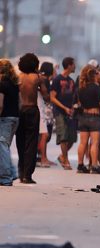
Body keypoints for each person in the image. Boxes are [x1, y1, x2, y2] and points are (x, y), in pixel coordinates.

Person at [16, 53, 49, 184]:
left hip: (20, 110)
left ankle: (21, 171)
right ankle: (27, 175)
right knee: (31, 142)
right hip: (32, 110)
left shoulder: (18, 77)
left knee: (20, 142)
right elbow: (46, 97)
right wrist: (41, 87)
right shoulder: (37, 78)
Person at [75, 65, 100, 174]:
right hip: (94, 117)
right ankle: (94, 166)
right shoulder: (95, 87)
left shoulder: (81, 88)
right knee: (94, 143)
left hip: (83, 117)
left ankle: (80, 165)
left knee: (82, 142)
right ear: (93, 75)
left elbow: (79, 103)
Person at [50, 57, 77, 170]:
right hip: (59, 112)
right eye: (74, 64)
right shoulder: (57, 80)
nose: (75, 66)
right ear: (69, 65)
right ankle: (65, 160)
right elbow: (52, 97)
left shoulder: (71, 80)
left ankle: (62, 156)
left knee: (72, 137)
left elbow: (74, 97)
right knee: (63, 137)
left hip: (70, 112)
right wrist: (64, 108)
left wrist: (72, 107)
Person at [0, 59, 20, 186]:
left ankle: (5, 178)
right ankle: (12, 173)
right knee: (5, 146)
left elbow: (0, 104)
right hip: (15, 118)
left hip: (5, 118)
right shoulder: (14, 84)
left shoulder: (1, 84)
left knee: (2, 146)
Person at [37, 62, 55, 167]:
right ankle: (43, 158)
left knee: (40, 135)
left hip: (37, 108)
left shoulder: (37, 78)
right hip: (42, 109)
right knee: (44, 135)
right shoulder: (44, 81)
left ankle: (41, 157)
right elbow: (47, 97)